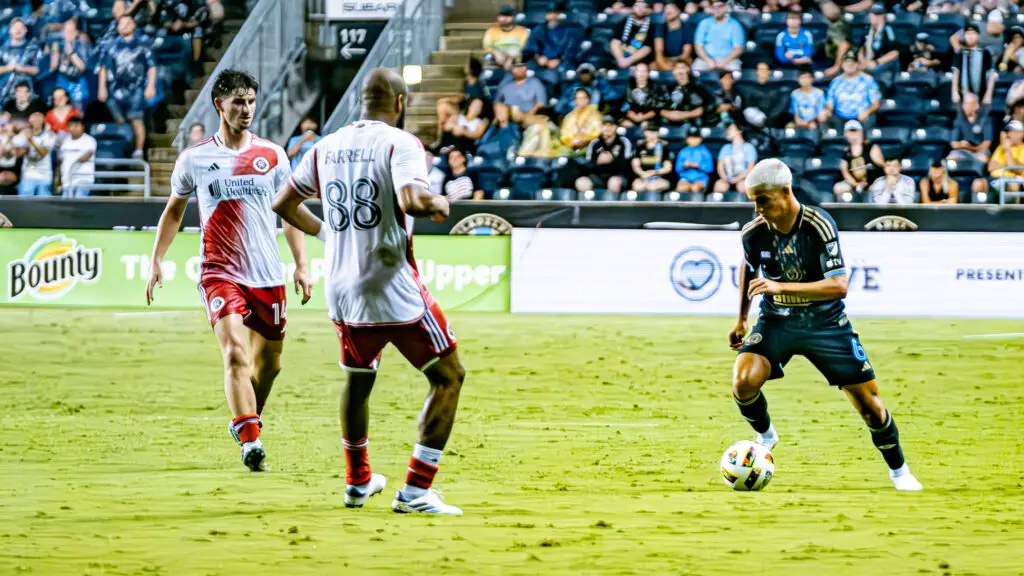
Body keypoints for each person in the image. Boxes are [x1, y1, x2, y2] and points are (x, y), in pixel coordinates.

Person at [272, 68, 466, 516]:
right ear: (399, 103)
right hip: (390, 283)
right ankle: (416, 491)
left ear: (362, 101)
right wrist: (443, 202)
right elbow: (414, 201)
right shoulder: (401, 144)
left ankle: (358, 481)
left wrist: (328, 237)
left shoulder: (324, 146)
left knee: (358, 382)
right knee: (449, 376)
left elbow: (283, 204)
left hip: (342, 290)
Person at [146, 69, 314, 472]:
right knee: (235, 352)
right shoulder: (195, 159)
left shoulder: (272, 155)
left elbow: (289, 213)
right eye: (239, 101)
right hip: (220, 271)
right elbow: (174, 210)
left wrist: (302, 264)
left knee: (270, 366)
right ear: (219, 104)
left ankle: (246, 419)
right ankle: (251, 442)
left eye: (252, 101)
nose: (247, 109)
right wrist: (156, 259)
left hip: (267, 274)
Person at [730, 158, 922, 492]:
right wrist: (742, 319)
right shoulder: (754, 233)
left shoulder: (818, 224)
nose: (757, 208)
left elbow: (839, 286)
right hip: (777, 321)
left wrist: (780, 287)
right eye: (754, 201)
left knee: (871, 408)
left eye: (763, 200)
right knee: (743, 381)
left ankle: (899, 471)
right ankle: (766, 435)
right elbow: (749, 267)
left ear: (785, 192)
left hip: (826, 323)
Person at [98, 14, 158, 159]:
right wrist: (102, 87)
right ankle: (125, 148)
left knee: (136, 119)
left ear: (134, 26)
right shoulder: (110, 46)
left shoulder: (143, 45)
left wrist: (151, 86)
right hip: (115, 90)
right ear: (117, 28)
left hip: (135, 88)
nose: (124, 25)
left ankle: (138, 150)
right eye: (121, 23)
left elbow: (152, 67)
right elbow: (103, 68)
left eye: (128, 23)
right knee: (119, 121)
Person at [435, 58, 491, 152]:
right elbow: (462, 97)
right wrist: (447, 99)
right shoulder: (466, 83)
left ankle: (443, 141)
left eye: (467, 65)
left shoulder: (479, 87)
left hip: (471, 116)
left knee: (447, 115)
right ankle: (440, 139)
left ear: (471, 69)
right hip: (463, 112)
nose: (464, 67)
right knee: (442, 106)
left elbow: (480, 105)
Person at [820, 52, 882, 132]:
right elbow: (830, 103)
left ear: (857, 64)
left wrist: (867, 112)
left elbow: (876, 104)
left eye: (852, 62)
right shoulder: (835, 82)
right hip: (840, 116)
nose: (849, 65)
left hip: (861, 116)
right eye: (846, 62)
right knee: (823, 116)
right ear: (842, 65)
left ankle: (866, 143)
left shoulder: (868, 80)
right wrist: (827, 111)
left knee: (869, 118)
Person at [523, 0, 581, 86]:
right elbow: (531, 48)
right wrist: (539, 58)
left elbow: (571, 50)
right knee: (527, 72)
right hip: (542, 61)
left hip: (563, 61)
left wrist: (559, 60)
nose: (551, 16)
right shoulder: (539, 29)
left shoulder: (570, 30)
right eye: (549, 13)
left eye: (555, 13)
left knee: (569, 73)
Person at [577, 115, 633, 194]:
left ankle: (612, 206)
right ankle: (591, 206)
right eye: (604, 125)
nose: (607, 128)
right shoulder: (594, 143)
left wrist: (612, 160)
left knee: (613, 182)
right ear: (600, 127)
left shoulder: (623, 141)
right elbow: (588, 164)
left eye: (610, 125)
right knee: (581, 182)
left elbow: (627, 164)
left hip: (617, 175)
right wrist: (598, 162)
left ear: (615, 127)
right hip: (598, 175)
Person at [834, 119, 885, 199]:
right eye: (850, 132)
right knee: (839, 187)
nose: (853, 135)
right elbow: (844, 171)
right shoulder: (846, 152)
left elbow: (882, 166)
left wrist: (872, 184)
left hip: (873, 181)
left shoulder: (871, 148)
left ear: (861, 132)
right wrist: (855, 184)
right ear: (846, 134)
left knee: (879, 187)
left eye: (856, 131)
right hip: (855, 183)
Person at [951, 23, 997, 107]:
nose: (970, 36)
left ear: (978, 35)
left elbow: (991, 74)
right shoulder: (960, 53)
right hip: (963, 95)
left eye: (973, 34)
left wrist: (988, 94)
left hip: (981, 94)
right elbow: (956, 72)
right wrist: (954, 92)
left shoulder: (985, 52)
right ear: (964, 36)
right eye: (968, 34)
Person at [693, 0, 745, 72]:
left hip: (729, 59)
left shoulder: (735, 24)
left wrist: (725, 61)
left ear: (726, 7)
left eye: (720, 6)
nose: (716, 10)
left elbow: (738, 49)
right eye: (713, 7)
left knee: (735, 72)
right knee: (696, 70)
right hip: (706, 59)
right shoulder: (704, 23)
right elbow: (698, 46)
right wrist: (708, 60)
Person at [13, 111, 57, 196]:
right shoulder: (23, 134)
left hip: (44, 173)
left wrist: (30, 140)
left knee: (44, 203)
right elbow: (16, 152)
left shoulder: (50, 135)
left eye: (39, 117)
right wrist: (22, 150)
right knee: (24, 202)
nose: (36, 120)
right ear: (30, 120)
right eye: (34, 117)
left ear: (44, 120)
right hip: (28, 173)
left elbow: (43, 153)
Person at [0, 18, 43, 104]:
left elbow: (37, 69)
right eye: (15, 27)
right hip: (4, 93)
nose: (18, 30)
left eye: (21, 27)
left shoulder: (33, 49)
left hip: (26, 93)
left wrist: (20, 68)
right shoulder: (1, 50)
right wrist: (10, 68)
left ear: (26, 30)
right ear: (10, 31)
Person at [493, 59, 547, 125]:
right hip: (508, 115)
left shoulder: (535, 82)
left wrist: (528, 114)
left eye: (522, 66)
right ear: (512, 69)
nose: (519, 69)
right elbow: (496, 102)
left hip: (529, 114)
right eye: (516, 67)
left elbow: (540, 103)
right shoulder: (505, 85)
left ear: (526, 68)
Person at [49, 19, 90, 108]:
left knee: (78, 110)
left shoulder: (82, 44)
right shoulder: (58, 44)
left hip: (78, 82)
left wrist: (71, 52)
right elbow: (53, 67)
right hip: (62, 80)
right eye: (66, 31)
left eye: (71, 31)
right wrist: (55, 52)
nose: (69, 33)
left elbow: (82, 67)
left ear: (76, 32)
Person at [660, 60, 710, 128]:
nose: (680, 70)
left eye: (682, 67)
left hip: (691, 125)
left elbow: (701, 110)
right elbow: (659, 108)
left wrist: (682, 115)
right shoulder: (667, 88)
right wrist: (671, 115)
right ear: (673, 71)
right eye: (677, 68)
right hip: (668, 124)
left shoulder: (698, 88)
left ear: (688, 69)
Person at [858, 4, 900, 83]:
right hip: (867, 63)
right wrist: (863, 62)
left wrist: (876, 62)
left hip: (882, 64)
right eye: (874, 14)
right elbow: (860, 48)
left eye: (879, 14)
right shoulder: (867, 30)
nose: (876, 17)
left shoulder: (889, 30)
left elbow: (895, 52)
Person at [950, 92, 994, 164]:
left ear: (976, 105)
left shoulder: (985, 119)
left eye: (969, 103)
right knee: (951, 158)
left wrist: (972, 148)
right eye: (964, 103)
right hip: (963, 150)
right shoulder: (959, 119)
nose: (965, 106)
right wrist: (964, 147)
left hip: (980, 150)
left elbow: (986, 144)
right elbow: (954, 144)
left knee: (983, 159)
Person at [483, 5, 531, 70]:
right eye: (501, 16)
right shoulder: (492, 30)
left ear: (513, 17)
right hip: (496, 59)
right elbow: (487, 46)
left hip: (516, 59)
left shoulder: (522, 30)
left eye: (507, 16)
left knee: (517, 54)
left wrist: (510, 59)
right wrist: (495, 52)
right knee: (488, 57)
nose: (504, 19)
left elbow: (522, 47)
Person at [611, 0, 656, 69]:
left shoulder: (652, 26)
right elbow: (615, 42)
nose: (640, 8)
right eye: (637, 5)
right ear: (632, 8)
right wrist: (620, 60)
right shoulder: (623, 22)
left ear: (648, 10)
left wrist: (628, 61)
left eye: (644, 6)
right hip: (620, 59)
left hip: (640, 63)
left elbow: (647, 48)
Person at [58, 117, 97, 197]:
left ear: (82, 127)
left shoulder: (89, 140)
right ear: (68, 128)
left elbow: (86, 157)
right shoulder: (65, 141)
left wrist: (73, 164)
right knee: (65, 206)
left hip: (83, 179)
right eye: (72, 126)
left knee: (79, 202)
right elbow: (62, 161)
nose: (75, 128)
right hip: (67, 180)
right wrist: (58, 178)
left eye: (77, 126)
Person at [631, 119, 673, 192]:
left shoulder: (664, 146)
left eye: (654, 131)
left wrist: (654, 173)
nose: (652, 133)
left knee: (652, 186)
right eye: (649, 131)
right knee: (637, 186)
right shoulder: (639, 146)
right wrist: (643, 174)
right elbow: (635, 165)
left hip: (660, 177)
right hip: (643, 177)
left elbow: (668, 167)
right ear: (645, 132)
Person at [714, 122, 757, 195]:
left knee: (742, 187)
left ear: (739, 131)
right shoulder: (725, 148)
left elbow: (750, 169)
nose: (727, 131)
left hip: (743, 178)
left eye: (730, 129)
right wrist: (725, 178)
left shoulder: (749, 147)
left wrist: (737, 179)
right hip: (727, 178)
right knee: (719, 186)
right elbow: (719, 167)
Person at [621, 62, 664, 127]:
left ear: (648, 74)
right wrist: (635, 117)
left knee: (645, 125)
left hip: (650, 119)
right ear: (635, 73)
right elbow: (625, 106)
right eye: (639, 71)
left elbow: (656, 109)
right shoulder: (628, 87)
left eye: (644, 71)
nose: (641, 74)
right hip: (632, 118)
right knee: (625, 124)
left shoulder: (655, 88)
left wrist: (643, 117)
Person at [674, 126, 713, 194]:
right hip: (685, 179)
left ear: (701, 139)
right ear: (686, 139)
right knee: (682, 188)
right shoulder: (683, 151)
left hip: (701, 179)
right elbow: (677, 168)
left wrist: (698, 166)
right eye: (691, 138)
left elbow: (710, 169)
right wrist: (684, 165)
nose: (693, 140)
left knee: (695, 188)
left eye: (696, 138)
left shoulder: (705, 151)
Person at [654, 1, 691, 71]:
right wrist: (664, 65)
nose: (667, 10)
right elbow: (659, 52)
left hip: (681, 59)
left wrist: (677, 64)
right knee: (652, 66)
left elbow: (686, 53)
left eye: (671, 7)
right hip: (665, 59)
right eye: (666, 8)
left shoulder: (686, 27)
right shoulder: (661, 27)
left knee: (686, 66)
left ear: (679, 11)